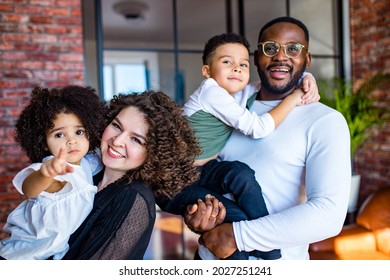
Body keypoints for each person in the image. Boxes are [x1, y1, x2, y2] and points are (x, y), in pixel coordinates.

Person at [184, 16, 351, 260]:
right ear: (256, 58)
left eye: (293, 49)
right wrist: (197, 215)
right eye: (270, 48)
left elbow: (329, 215)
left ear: (307, 59)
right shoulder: (231, 103)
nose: (281, 56)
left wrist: (237, 235)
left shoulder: (325, 121)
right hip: (206, 258)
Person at [158, 33, 319, 260]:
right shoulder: (211, 91)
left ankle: (265, 245)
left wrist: (306, 76)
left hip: (201, 171)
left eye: (243, 64)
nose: (237, 69)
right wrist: (292, 99)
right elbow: (259, 127)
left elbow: (277, 80)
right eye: (227, 62)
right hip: (173, 182)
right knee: (231, 218)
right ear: (207, 72)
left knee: (240, 173)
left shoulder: (236, 96)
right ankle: (264, 251)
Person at [62, 91, 201, 260]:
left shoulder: (132, 197)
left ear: (155, 153)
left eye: (136, 139)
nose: (118, 140)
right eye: (117, 126)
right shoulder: (87, 174)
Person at [0, 85, 106, 260]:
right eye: (59, 135)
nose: (72, 141)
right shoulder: (52, 167)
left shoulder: (88, 163)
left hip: (47, 256)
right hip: (18, 256)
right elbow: (29, 189)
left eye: (79, 132)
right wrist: (45, 174)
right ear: (43, 142)